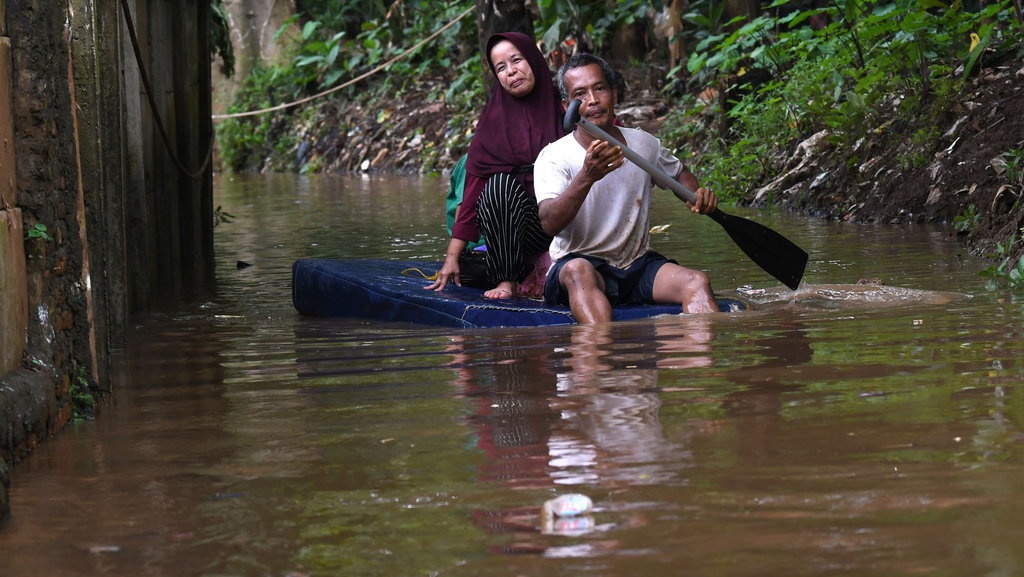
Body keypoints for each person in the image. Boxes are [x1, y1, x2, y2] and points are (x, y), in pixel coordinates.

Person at [534, 53, 720, 323]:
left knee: (697, 281)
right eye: (580, 94)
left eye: (600, 89)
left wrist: (697, 195)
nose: (593, 100)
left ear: (614, 94)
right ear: (566, 106)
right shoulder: (553, 157)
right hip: (579, 267)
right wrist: (587, 176)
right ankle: (604, 358)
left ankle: (706, 364)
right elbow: (549, 222)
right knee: (578, 271)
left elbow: (680, 175)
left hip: (637, 264)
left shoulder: (644, 143)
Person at [426, 32, 564, 299]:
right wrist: (452, 257)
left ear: (533, 60)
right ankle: (507, 280)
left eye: (517, 60)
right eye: (501, 68)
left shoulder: (565, 104)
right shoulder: (493, 122)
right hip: (524, 229)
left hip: (568, 217)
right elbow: (471, 197)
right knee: (497, 186)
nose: (511, 71)